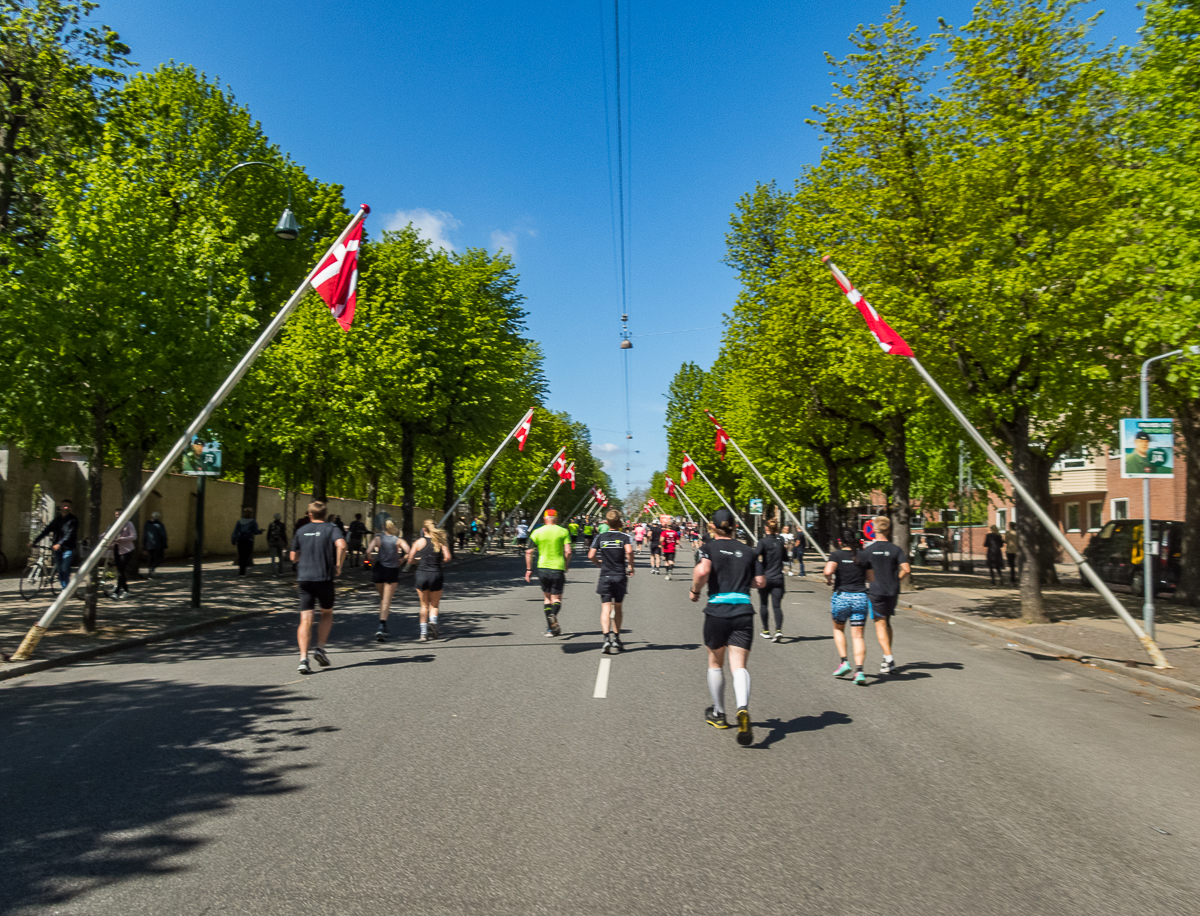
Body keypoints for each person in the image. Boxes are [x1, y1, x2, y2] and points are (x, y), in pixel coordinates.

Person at [691, 508, 764, 746]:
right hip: (743, 610)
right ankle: (742, 707)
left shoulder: (708, 548)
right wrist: (743, 579)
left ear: (712, 527)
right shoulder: (748, 551)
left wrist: (695, 591)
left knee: (715, 663)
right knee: (739, 665)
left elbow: (703, 570)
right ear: (734, 526)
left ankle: (720, 713)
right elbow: (760, 581)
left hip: (717, 611)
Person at [289, 500, 347, 675]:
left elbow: (293, 556)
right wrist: (339, 565)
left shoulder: (301, 530)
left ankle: (303, 659)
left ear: (310, 514)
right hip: (324, 578)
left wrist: (304, 554)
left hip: (304, 579)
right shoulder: (331, 528)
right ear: (325, 513)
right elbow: (342, 545)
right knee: (326, 613)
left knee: (305, 619)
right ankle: (320, 648)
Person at [856, 515, 911, 676]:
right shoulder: (896, 549)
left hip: (876, 591)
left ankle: (889, 659)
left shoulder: (868, 551)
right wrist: (897, 579)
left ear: (873, 529)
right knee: (887, 622)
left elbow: (862, 571)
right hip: (892, 591)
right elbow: (907, 569)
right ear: (888, 529)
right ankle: (886, 657)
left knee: (880, 624)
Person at [824, 528, 870, 685]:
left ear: (840, 541)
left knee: (838, 629)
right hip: (860, 597)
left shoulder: (836, 555)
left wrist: (829, 579)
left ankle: (844, 661)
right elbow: (871, 578)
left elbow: (827, 570)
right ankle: (860, 672)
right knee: (858, 636)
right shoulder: (863, 556)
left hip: (842, 596)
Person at [589, 508, 635, 653]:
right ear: (620, 523)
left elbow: (591, 555)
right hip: (620, 575)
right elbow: (629, 551)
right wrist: (631, 566)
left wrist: (597, 562)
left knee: (605, 608)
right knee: (618, 607)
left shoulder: (600, 537)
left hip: (605, 575)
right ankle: (617, 638)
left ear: (607, 523)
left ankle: (605, 639)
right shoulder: (624, 537)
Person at [526, 508, 572, 637]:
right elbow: (568, 551)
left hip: (542, 568)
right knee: (556, 599)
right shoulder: (563, 531)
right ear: (556, 519)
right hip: (557, 568)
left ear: (544, 519)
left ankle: (550, 629)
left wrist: (529, 569)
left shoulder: (537, 532)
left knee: (547, 598)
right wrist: (566, 564)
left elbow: (529, 552)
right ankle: (553, 615)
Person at [407, 519, 452, 641]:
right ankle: (433, 622)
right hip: (436, 574)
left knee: (423, 605)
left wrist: (418, 561)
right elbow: (448, 557)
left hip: (421, 574)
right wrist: (439, 562)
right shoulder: (440, 542)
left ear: (423, 530)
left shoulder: (419, 542)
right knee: (434, 605)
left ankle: (423, 633)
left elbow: (410, 559)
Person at [368, 520, 409, 641]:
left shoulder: (378, 538)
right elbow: (409, 551)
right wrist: (402, 560)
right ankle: (381, 625)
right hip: (391, 570)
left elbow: (368, 551)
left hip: (379, 569)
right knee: (386, 600)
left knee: (382, 598)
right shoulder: (398, 540)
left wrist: (371, 560)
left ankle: (383, 622)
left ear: (383, 527)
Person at [32, 500, 80, 589]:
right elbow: (47, 530)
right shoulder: (57, 519)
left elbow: (70, 534)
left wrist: (59, 544)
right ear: (61, 507)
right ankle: (64, 587)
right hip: (57, 549)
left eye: (68, 506)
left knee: (64, 567)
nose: (66, 508)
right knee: (60, 569)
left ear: (71, 508)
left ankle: (66, 587)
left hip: (68, 548)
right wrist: (35, 541)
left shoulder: (73, 520)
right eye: (64, 506)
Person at [755, 518, 788, 641]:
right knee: (777, 606)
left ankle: (766, 630)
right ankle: (778, 630)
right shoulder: (780, 541)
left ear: (766, 528)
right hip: (778, 578)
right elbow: (785, 557)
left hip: (765, 577)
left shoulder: (763, 542)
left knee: (764, 604)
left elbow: (755, 556)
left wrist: (758, 570)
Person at [111, 507, 137, 600]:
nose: (118, 516)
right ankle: (126, 590)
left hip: (127, 550)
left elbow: (134, 536)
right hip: (117, 548)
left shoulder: (129, 524)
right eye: (117, 514)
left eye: (120, 514)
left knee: (121, 569)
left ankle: (117, 591)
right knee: (120, 571)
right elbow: (107, 533)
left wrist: (121, 539)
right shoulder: (114, 524)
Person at [231, 507, 263, 576]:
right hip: (248, 540)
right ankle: (244, 571)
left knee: (241, 555)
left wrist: (233, 540)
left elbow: (235, 532)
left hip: (240, 540)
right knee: (246, 556)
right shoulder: (253, 522)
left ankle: (241, 572)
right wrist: (260, 531)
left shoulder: (239, 522)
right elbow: (255, 531)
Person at [143, 511, 168, 578]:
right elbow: (163, 536)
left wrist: (144, 547)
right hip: (158, 545)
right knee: (159, 558)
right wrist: (165, 546)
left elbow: (145, 536)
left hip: (149, 545)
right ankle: (152, 568)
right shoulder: (160, 525)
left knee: (151, 558)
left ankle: (150, 571)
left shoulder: (147, 525)